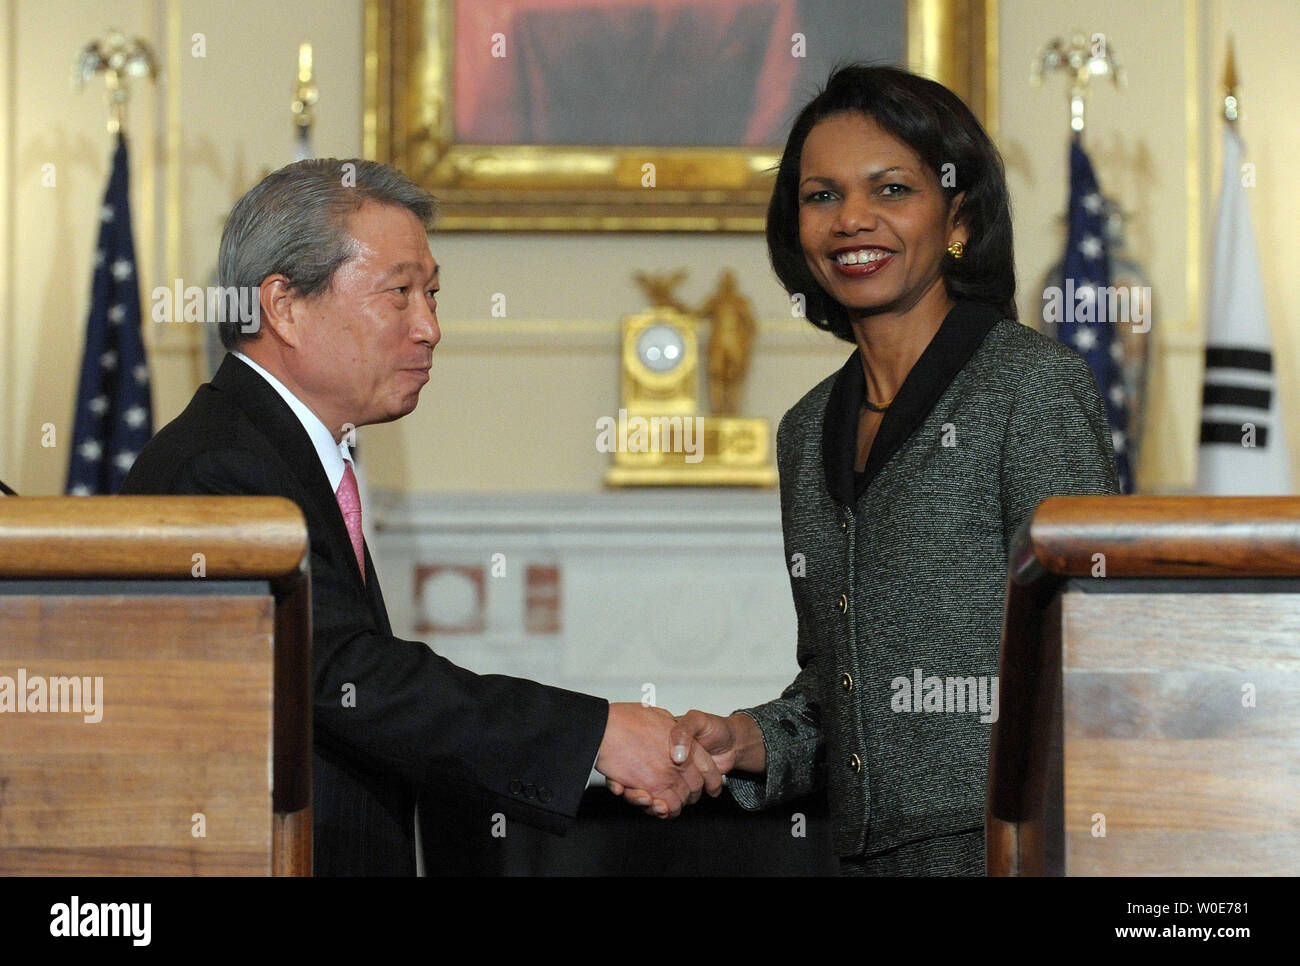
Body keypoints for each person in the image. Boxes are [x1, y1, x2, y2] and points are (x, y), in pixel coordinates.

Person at [121, 159, 718, 875]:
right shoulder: (217, 468)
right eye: (399, 293)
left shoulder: (280, 451)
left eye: (431, 294)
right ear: (282, 305)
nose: (430, 328)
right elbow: (345, 679)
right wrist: (594, 736)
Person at [614, 64, 1119, 874]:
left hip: (1010, 851)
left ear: (957, 216)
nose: (852, 220)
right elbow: (838, 687)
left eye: (891, 191)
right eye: (822, 196)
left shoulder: (1032, 388)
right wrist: (748, 739)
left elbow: (1095, 654)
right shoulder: (807, 428)